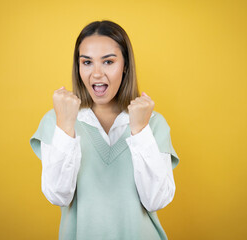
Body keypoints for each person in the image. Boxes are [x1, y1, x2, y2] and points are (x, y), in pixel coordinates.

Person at [29, 20, 180, 240]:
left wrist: (140, 131)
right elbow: (57, 196)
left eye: (108, 62)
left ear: (125, 65)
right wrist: (65, 127)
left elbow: (156, 201)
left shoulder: (153, 123)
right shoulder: (57, 120)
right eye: (87, 62)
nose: (97, 73)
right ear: (78, 66)